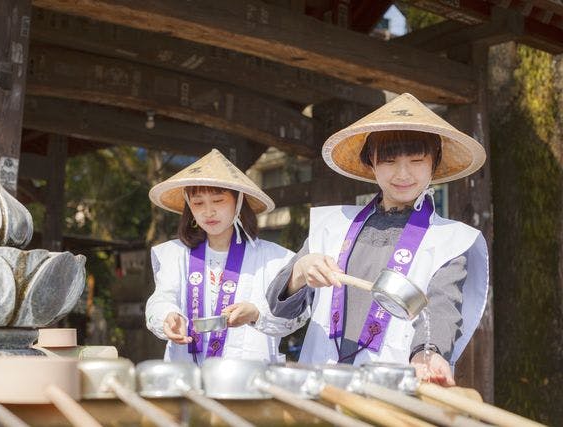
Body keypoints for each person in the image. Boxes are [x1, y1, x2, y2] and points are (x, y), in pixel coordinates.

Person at [266, 93, 489, 385]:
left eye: (417, 160)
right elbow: (278, 309)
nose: (403, 173)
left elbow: (441, 306)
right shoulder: (331, 226)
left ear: (434, 163)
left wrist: (428, 353)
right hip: (319, 385)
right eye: (388, 161)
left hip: (391, 391)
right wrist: (299, 272)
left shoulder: (451, 240)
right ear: (370, 162)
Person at [146, 149, 306, 364]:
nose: (208, 212)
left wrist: (256, 314)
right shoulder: (174, 254)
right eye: (198, 203)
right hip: (186, 379)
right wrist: (168, 316)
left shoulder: (276, 259)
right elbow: (162, 298)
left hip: (250, 379)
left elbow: (297, 317)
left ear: (238, 202)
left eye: (218, 200)